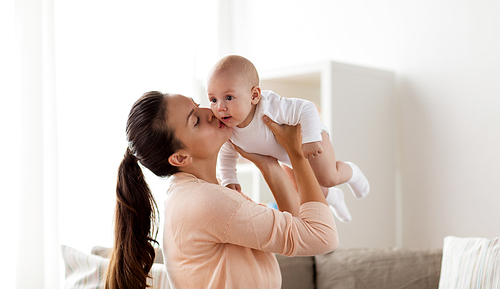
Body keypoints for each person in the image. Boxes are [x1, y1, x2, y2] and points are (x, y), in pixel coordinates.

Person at [105, 91, 338, 289]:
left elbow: (297, 226)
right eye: (195, 120)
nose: (210, 111)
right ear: (180, 157)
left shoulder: (204, 192)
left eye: (197, 105)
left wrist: (266, 162)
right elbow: (321, 237)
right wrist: (297, 152)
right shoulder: (205, 202)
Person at [206, 55, 370, 223]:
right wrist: (229, 180)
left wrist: (311, 139)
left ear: (254, 95)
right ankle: (335, 198)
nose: (220, 107)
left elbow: (306, 108)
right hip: (286, 156)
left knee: (327, 178)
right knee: (305, 191)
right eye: (213, 99)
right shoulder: (228, 127)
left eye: (229, 97)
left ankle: (352, 172)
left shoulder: (269, 107)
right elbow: (227, 153)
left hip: (310, 137)